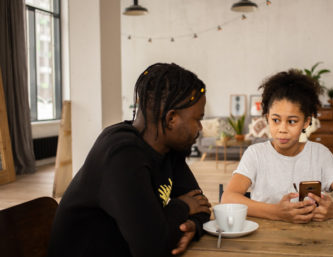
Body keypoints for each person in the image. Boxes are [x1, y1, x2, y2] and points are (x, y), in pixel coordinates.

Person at [48, 63, 211, 257]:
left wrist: (193, 225)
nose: (200, 128)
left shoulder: (169, 148)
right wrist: (182, 207)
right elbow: (152, 249)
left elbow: (200, 204)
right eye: (198, 119)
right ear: (171, 119)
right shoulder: (121, 154)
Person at [221, 69, 333, 224]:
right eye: (275, 120)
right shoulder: (255, 154)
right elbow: (228, 198)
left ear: (306, 122)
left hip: (312, 240)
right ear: (267, 118)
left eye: (292, 121)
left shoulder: (319, 154)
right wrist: (277, 212)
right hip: (264, 241)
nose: (282, 129)